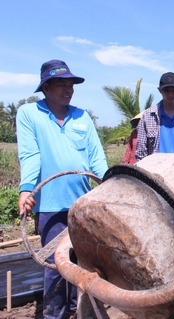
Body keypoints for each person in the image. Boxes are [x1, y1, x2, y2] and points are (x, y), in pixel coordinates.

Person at [16, 59, 108, 319]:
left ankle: (78, 311)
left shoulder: (82, 116)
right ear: (45, 87)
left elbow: (96, 157)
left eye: (71, 85)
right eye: (61, 84)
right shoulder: (29, 113)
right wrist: (26, 189)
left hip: (82, 205)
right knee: (56, 266)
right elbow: (30, 154)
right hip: (51, 206)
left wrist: (109, 185)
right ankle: (53, 315)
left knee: (84, 263)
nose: (68, 89)